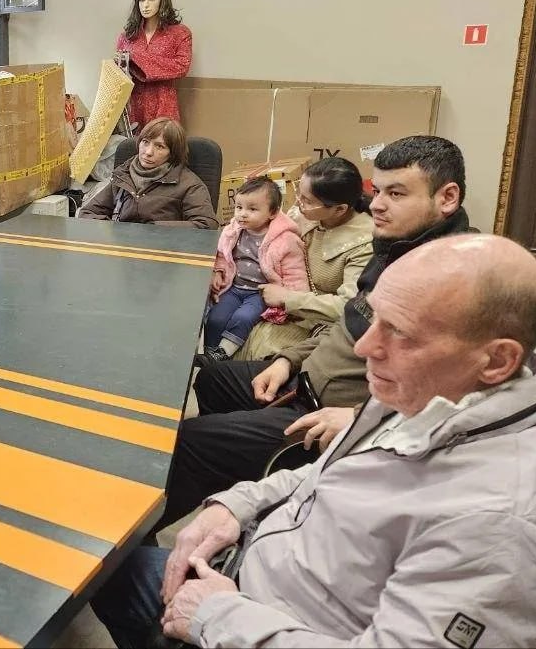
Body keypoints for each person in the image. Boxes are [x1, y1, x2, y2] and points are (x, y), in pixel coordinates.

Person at [91, 234, 536, 648]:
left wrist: (218, 616)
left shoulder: (497, 524)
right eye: (376, 319)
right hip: (255, 570)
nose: (364, 348)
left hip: (256, 616)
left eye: (400, 332)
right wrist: (237, 505)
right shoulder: (432, 396)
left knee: (109, 573)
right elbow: (326, 474)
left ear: (497, 360)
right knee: (109, 566)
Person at [152, 135, 474, 533]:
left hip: (327, 413)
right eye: (378, 191)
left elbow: (464, 396)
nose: (376, 204)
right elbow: (348, 324)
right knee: (212, 378)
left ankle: (138, 543)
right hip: (302, 380)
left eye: (396, 193)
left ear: (447, 197)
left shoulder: (457, 280)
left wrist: (358, 417)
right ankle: (242, 482)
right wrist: (288, 360)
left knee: (189, 440)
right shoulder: (396, 248)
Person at [235, 157, 374, 360]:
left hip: (318, 323)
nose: (299, 203)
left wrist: (288, 298)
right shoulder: (306, 215)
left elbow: (351, 306)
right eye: (300, 194)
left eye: (307, 201)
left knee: (260, 358)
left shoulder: (364, 243)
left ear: (340, 209)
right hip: (277, 303)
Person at [202, 177, 307, 363]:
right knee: (216, 317)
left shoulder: (286, 240)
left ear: (272, 212)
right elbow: (222, 254)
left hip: (260, 293)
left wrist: (291, 300)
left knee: (243, 317)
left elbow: (295, 273)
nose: (242, 214)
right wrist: (218, 272)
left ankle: (224, 353)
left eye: (252, 209)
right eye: (239, 207)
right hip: (234, 288)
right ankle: (209, 354)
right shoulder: (233, 231)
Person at [76, 117, 218, 228]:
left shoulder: (190, 185)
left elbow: (206, 224)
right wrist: (116, 231)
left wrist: (152, 229)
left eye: (160, 146)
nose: (148, 152)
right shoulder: (124, 175)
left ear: (173, 153)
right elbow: (88, 213)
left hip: (163, 250)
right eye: (145, 142)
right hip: (123, 248)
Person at [116, 0, 192, 127]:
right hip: (133, 104)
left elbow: (182, 66)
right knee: (133, 141)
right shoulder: (127, 36)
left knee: (162, 139)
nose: (146, 5)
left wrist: (136, 58)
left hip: (163, 102)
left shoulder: (179, 33)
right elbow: (119, 72)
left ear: (162, 0)